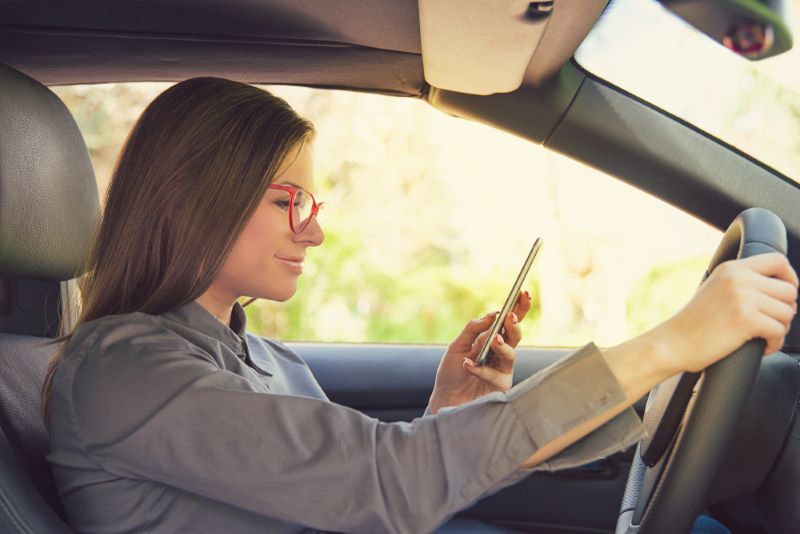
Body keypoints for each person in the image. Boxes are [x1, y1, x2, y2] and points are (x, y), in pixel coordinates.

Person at [42, 78, 798, 534]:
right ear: (193, 197)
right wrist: (670, 345)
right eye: (288, 200)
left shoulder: (262, 357)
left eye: (314, 200)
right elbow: (381, 484)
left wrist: (448, 413)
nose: (317, 228)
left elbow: (352, 496)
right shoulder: (125, 371)